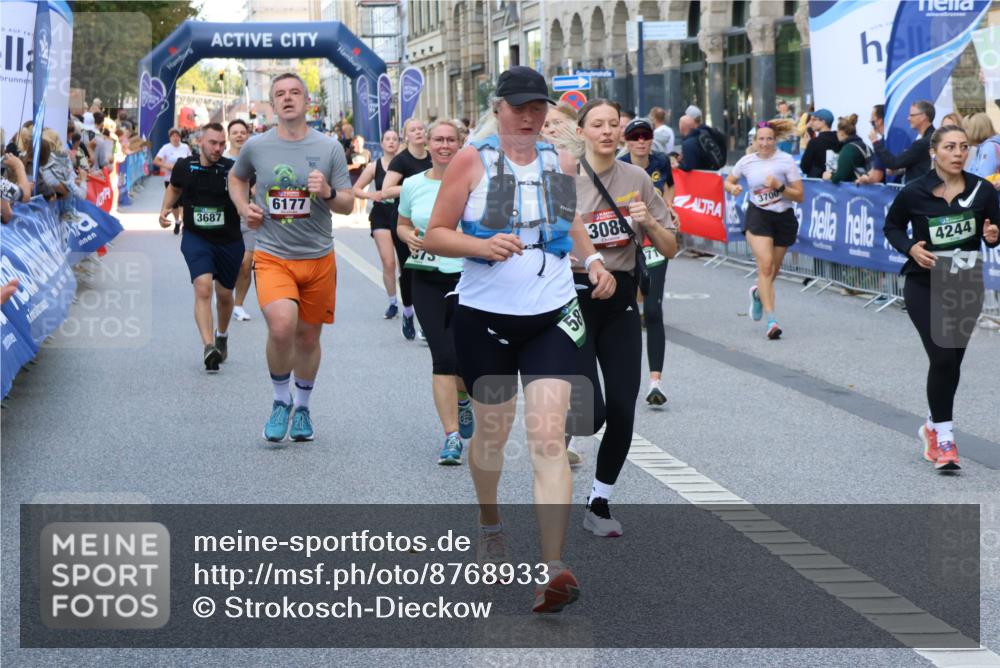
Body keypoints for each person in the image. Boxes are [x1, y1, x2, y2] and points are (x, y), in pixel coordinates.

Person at [423, 66, 615, 614]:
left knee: (548, 438)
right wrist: (482, 248)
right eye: (522, 107)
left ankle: (552, 570)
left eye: (540, 108)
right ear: (499, 107)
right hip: (485, 317)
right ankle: (490, 522)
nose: (532, 117)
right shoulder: (471, 159)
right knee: (489, 439)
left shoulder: (560, 159)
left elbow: (568, 221)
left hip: (552, 313)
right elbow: (437, 232)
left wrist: (594, 260)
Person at [569, 100, 678, 536]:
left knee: (621, 406)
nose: (608, 131)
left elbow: (670, 247)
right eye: (598, 124)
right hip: (573, 300)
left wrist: (648, 220)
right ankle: (555, 456)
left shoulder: (636, 178)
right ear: (582, 131)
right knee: (588, 414)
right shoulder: (565, 180)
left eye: (614, 124)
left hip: (620, 303)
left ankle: (599, 501)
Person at [229, 73, 354, 442]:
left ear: (306, 100)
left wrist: (328, 191)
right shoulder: (256, 146)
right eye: (280, 94)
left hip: (317, 256)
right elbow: (237, 179)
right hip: (272, 254)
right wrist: (242, 207)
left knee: (308, 338)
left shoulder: (330, 147)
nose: (287, 99)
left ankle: (303, 407)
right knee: (282, 326)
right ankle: (280, 401)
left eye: (295, 92)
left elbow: (347, 204)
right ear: (272, 102)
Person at [883, 124, 1000, 470]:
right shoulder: (914, 191)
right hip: (924, 283)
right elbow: (891, 226)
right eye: (950, 147)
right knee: (944, 357)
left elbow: (994, 231)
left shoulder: (983, 191)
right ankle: (946, 440)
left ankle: (932, 426)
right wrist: (910, 249)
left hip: (965, 285)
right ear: (935, 151)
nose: (958, 153)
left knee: (952, 363)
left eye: (964, 147)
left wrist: (993, 235)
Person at [395, 120, 474, 464]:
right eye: (438, 140)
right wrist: (407, 235)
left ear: (461, 144)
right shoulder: (412, 184)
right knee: (443, 356)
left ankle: (465, 398)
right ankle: (451, 436)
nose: (444, 145)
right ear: (427, 144)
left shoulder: (476, 184)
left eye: (450, 140)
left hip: (468, 277)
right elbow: (402, 223)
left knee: (467, 359)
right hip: (426, 275)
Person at [158, 123, 244, 372]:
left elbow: (249, 194)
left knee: (225, 295)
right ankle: (209, 347)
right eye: (212, 143)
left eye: (221, 143)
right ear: (200, 143)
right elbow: (174, 189)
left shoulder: (233, 169)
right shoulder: (185, 166)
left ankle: (222, 336)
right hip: (197, 237)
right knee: (203, 288)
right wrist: (164, 209)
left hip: (229, 240)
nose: (218, 148)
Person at [724, 119, 804, 339]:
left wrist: (779, 187)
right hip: (758, 216)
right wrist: (733, 188)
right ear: (755, 141)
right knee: (766, 266)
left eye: (769, 139)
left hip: (783, 218)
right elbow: (728, 181)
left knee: (772, 271)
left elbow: (800, 195)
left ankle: (758, 293)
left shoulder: (786, 161)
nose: (765, 143)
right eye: (761, 139)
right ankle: (772, 321)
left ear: (774, 140)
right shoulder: (747, 161)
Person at [619, 117, 675, 407]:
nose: (641, 141)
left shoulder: (661, 161)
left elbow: (670, 189)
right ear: (626, 141)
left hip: (654, 238)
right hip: (626, 244)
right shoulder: (618, 164)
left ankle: (656, 382)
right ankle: (622, 384)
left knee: (653, 308)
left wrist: (668, 211)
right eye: (635, 136)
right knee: (627, 311)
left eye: (646, 136)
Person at [381, 118, 432, 341]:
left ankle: (427, 323)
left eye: (421, 128)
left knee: (429, 270)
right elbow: (386, 190)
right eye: (413, 129)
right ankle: (409, 313)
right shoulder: (401, 161)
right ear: (406, 136)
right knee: (409, 270)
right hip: (405, 221)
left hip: (430, 221)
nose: (418, 131)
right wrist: (415, 185)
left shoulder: (433, 157)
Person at [353, 129, 406, 318]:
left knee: (405, 265)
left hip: (403, 216)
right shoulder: (374, 166)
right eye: (388, 139)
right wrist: (371, 195)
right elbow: (356, 189)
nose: (391, 142)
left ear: (399, 143)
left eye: (395, 139)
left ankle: (410, 302)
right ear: (382, 144)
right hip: (381, 216)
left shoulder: (406, 164)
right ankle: (393, 303)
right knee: (388, 262)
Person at [224, 119, 255, 322]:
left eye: (243, 132)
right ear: (229, 136)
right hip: (226, 218)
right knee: (228, 263)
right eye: (235, 132)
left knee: (246, 263)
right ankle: (224, 298)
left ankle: (238, 305)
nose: (239, 135)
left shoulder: (255, 160)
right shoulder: (222, 159)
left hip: (249, 218)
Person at [870, 100, 935, 184]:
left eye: (912, 115)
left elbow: (893, 163)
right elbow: (922, 165)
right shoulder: (934, 137)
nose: (908, 118)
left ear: (923, 117)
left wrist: (875, 142)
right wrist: (902, 170)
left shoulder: (922, 143)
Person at [154, 128, 192, 234]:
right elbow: (156, 161)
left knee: (183, 202)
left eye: (177, 136)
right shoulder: (165, 148)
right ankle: (177, 221)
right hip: (169, 178)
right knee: (174, 204)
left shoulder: (185, 147)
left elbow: (191, 159)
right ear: (170, 137)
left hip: (184, 178)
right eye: (173, 136)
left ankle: (184, 224)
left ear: (180, 137)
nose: (175, 138)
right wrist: (167, 166)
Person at [822, 114, 871, 184]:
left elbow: (841, 176)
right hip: (870, 187)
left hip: (855, 189)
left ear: (841, 132)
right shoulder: (865, 146)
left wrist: (830, 176)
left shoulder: (848, 150)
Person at [677, 105, 727, 171]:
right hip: (714, 172)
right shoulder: (709, 131)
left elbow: (690, 166)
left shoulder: (695, 137)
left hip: (702, 175)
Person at [798, 108, 839, 178]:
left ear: (823, 122)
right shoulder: (838, 139)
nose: (811, 123)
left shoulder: (814, 142)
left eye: (814, 120)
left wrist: (809, 146)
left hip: (818, 185)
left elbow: (805, 168)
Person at [857, 105, 890, 185]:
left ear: (879, 121)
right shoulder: (900, 136)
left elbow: (876, 177)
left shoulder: (881, 144)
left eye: (872, 121)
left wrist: (864, 179)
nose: (871, 122)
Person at [347, 134, 371, 218]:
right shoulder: (349, 153)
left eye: (360, 141)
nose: (358, 143)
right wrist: (353, 166)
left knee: (363, 195)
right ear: (353, 143)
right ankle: (356, 213)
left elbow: (370, 164)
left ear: (363, 142)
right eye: (356, 141)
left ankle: (363, 211)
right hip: (354, 176)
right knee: (355, 195)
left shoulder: (367, 152)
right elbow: (344, 167)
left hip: (365, 177)